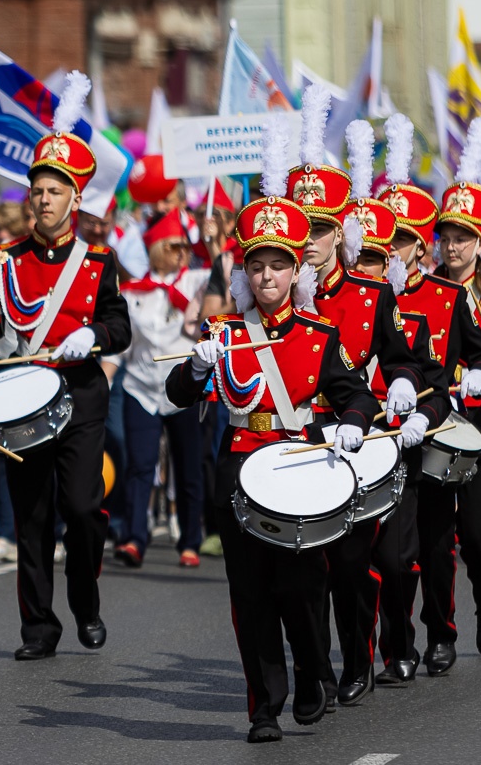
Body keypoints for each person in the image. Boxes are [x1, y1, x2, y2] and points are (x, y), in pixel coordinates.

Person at [164, 121, 384, 743]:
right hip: (240, 467)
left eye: (277, 266)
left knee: (303, 587)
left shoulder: (319, 335)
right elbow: (179, 396)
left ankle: (314, 672)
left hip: (301, 469)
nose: (266, 277)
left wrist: (350, 428)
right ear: (245, 273)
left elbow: (356, 396)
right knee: (250, 594)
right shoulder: (226, 332)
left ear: (295, 273)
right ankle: (263, 705)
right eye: (256, 265)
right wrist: (197, 365)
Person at [0, 71, 132, 660]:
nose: (43, 200)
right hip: (21, 399)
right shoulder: (5, 260)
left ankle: (87, 602)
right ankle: (38, 629)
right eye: (37, 191)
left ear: (76, 198)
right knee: (29, 519)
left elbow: (122, 329)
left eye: (55, 191)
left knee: (81, 509)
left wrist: (93, 334)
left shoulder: (98, 263)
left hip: (78, 397)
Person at [288, 109, 437, 707]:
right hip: (300, 442)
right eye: (304, 227)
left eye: (322, 229)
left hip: (363, 436)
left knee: (356, 564)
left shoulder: (371, 295)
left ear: (341, 232)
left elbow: (402, 357)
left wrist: (400, 383)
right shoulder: (274, 297)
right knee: (308, 569)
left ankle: (358, 659)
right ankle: (316, 667)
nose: (311, 241)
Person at [378, 114, 481, 677]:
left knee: (479, 540)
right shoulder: (405, 295)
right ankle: (439, 631)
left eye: (464, 236)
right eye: (447, 234)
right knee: (436, 543)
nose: (453, 245)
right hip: (429, 433)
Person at [114, 207, 211, 568]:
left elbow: (224, 275)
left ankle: (190, 540)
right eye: (173, 246)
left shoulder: (197, 280)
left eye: (185, 246)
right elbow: (123, 345)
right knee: (139, 465)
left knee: (188, 466)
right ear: (156, 249)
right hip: (141, 386)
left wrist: (213, 239)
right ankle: (134, 537)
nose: (181, 253)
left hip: (183, 387)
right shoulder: (131, 292)